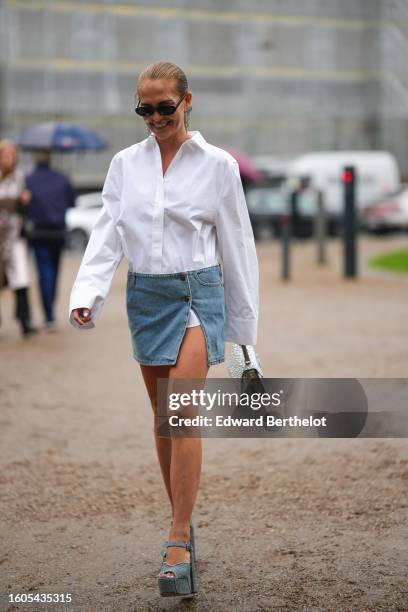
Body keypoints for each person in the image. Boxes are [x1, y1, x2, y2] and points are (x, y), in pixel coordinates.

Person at [68, 61, 259, 597]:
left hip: (199, 294)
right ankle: (183, 515)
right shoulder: (124, 165)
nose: (154, 117)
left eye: (164, 107)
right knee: (161, 420)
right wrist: (87, 295)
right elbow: (107, 234)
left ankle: (177, 539)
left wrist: (245, 335)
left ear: (187, 101)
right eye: (144, 109)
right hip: (147, 296)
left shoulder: (218, 165)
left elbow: (238, 247)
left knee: (179, 410)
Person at [25, 150, 76, 330]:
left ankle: (48, 315)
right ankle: (50, 312)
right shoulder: (62, 179)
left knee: (44, 273)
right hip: (58, 232)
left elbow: (24, 204)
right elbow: (72, 202)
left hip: (38, 232)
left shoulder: (28, 179)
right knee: (53, 273)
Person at [0, 139, 37, 338]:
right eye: (5, 155)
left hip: (14, 236)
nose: (8, 159)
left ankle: (25, 321)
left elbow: (25, 209)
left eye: (11, 155)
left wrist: (24, 200)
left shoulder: (20, 178)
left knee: (21, 279)